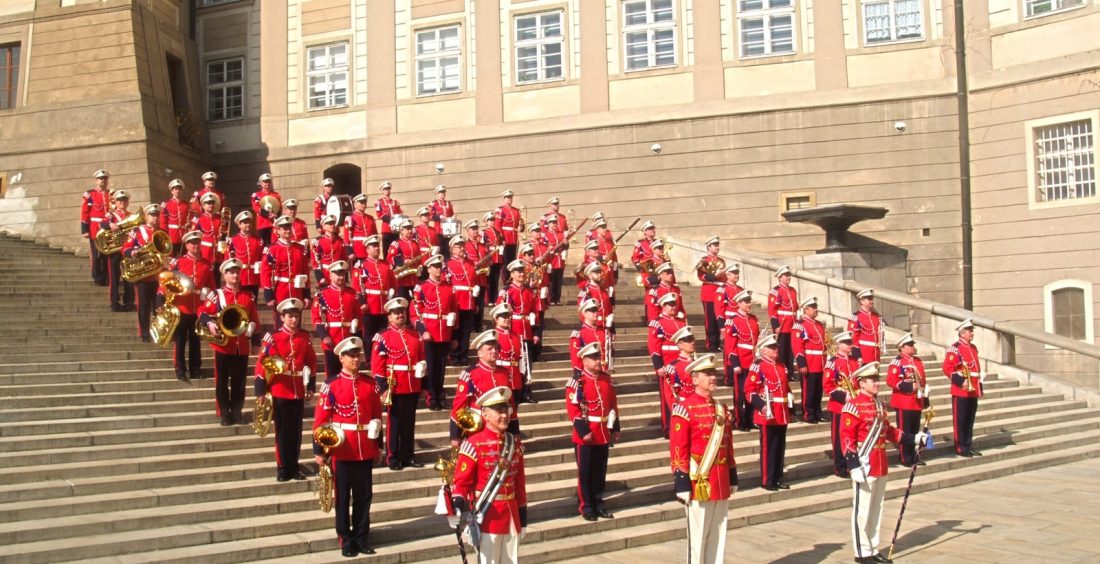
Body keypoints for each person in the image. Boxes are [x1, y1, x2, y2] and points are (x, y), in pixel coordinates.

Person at [841, 362, 924, 564]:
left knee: (876, 510)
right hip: (864, 463)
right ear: (861, 383)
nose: (877, 383)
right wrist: (852, 466)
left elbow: (889, 431)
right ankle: (861, 552)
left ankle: (872, 547)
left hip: (880, 462)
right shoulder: (852, 406)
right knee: (862, 511)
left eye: (877, 379)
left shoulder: (879, 405)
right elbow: (846, 438)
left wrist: (913, 438)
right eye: (873, 380)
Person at [313, 336, 383, 557]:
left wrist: (378, 446)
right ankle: (345, 539)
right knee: (343, 498)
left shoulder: (370, 383)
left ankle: (362, 537)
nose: (356, 359)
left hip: (365, 448)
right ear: (341, 358)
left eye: (358, 355)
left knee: (364, 496)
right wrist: (319, 451)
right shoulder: (332, 384)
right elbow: (321, 420)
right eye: (351, 356)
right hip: (342, 449)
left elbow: (376, 417)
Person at [669, 354, 737, 564]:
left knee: (719, 534)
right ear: (695, 379)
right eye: (708, 374)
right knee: (697, 539)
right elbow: (678, 448)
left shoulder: (721, 409)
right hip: (699, 481)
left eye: (714, 373)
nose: (713, 377)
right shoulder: (684, 409)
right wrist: (681, 483)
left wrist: (732, 476)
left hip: (720, 480)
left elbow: (728, 445)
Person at [450, 386, 528, 564]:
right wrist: (457, 503)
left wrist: (522, 518)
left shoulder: (514, 442)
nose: (505, 415)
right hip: (488, 516)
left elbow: (520, 483)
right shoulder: (473, 444)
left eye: (506, 409)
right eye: (498, 411)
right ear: (485, 414)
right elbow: (462, 483)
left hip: (512, 516)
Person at [255, 298, 316, 481]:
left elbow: (311, 363)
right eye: (289, 316)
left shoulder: (304, 337)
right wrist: (260, 392)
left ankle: (293, 466)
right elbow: (262, 365)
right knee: (281, 432)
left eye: (296, 316)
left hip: (297, 389)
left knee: (295, 432)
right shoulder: (273, 338)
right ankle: (282, 468)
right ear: (282, 317)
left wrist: (311, 386)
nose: (293, 320)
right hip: (280, 389)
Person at [198, 258, 260, 425]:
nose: (235, 274)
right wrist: (210, 323)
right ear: (224, 275)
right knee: (222, 381)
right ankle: (225, 412)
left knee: (239, 382)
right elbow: (202, 311)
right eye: (231, 272)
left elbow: (254, 319)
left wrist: (255, 342)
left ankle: (237, 411)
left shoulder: (247, 296)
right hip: (224, 346)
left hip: (242, 346)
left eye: (237, 272)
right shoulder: (217, 295)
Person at [371, 297, 426, 471]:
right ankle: (392, 456)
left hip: (412, 384)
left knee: (409, 423)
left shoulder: (415, 334)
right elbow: (377, 366)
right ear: (389, 317)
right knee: (394, 424)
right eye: (395, 313)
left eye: (402, 312)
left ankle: (408, 455)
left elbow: (422, 360)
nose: (400, 316)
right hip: (395, 385)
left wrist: (424, 385)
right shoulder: (383, 337)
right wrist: (383, 388)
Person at [567, 342, 619, 522]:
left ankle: (598, 503)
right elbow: (573, 410)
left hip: (603, 432)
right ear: (584, 360)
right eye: (594, 358)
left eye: (599, 357)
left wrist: (615, 427)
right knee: (585, 473)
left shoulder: (605, 378)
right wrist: (583, 431)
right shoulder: (577, 382)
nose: (598, 361)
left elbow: (612, 404)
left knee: (600, 471)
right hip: (587, 435)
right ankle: (586, 506)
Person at [450, 331, 516, 446]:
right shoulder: (469, 374)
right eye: (489, 349)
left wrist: (515, 431)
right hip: (479, 428)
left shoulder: (505, 373)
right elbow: (459, 407)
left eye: (496, 348)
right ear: (480, 353)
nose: (494, 351)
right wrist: (455, 435)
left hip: (502, 426)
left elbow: (511, 403)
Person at [746, 334, 792, 491]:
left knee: (779, 447)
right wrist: (762, 406)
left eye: (776, 347)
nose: (776, 349)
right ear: (764, 350)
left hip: (781, 413)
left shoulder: (781, 365)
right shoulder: (758, 366)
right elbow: (749, 391)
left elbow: (785, 387)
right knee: (768, 449)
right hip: (767, 414)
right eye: (772, 348)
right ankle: (768, 480)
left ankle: (778, 477)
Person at [411, 254, 457, 410]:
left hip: (445, 332)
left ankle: (440, 394)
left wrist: (454, 333)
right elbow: (415, 312)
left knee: (441, 367)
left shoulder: (448, 287)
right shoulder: (422, 287)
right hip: (429, 333)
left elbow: (454, 311)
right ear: (429, 269)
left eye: (440, 267)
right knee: (430, 367)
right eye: (436, 267)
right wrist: (422, 330)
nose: (439, 270)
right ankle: (431, 397)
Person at [169, 231, 215, 381]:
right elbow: (167, 283)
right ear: (187, 245)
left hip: (198, 308)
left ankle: (195, 368)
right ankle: (180, 369)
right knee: (180, 340)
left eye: (197, 243)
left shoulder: (206, 264)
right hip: (181, 307)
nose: (195, 245)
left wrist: (205, 293)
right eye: (192, 243)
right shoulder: (178, 262)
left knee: (195, 340)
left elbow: (212, 287)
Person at [313, 261, 364, 377]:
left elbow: (358, 316)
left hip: (348, 339)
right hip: (331, 338)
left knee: (350, 374)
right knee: (332, 375)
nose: (341, 277)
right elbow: (316, 318)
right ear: (330, 276)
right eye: (337, 274)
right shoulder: (322, 294)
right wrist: (324, 335)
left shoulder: (352, 293)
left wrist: (357, 337)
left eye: (342, 274)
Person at [887, 332, 930, 467]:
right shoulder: (897, 361)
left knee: (915, 431)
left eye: (913, 345)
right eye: (910, 345)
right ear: (902, 347)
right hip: (904, 401)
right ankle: (905, 457)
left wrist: (925, 397)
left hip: (916, 401)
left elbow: (923, 380)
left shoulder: (917, 361)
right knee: (905, 431)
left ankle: (914, 456)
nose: (913, 347)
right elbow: (891, 380)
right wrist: (909, 386)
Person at [497, 260, 537, 402]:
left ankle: (527, 391)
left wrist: (536, 332)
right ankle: (515, 391)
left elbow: (534, 311)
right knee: (516, 361)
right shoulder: (507, 291)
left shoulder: (529, 291)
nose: (521, 274)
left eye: (522, 271)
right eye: (518, 271)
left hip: (527, 330)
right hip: (513, 330)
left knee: (527, 362)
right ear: (512, 274)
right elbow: (500, 312)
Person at [122, 203, 163, 341]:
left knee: (159, 307)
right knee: (144, 307)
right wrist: (132, 251)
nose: (155, 218)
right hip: (143, 277)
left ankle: (158, 332)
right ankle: (144, 333)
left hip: (158, 277)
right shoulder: (138, 231)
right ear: (146, 216)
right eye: (152, 215)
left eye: (157, 215)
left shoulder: (162, 233)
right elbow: (125, 248)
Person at [943, 318, 983, 457]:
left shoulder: (973, 348)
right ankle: (960, 447)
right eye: (970, 331)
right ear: (962, 333)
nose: (972, 333)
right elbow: (948, 368)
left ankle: (968, 445)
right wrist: (961, 382)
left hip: (973, 389)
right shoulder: (955, 348)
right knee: (960, 420)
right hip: (961, 390)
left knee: (969, 419)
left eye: (972, 331)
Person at [649, 293, 687, 437]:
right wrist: (659, 366)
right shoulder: (657, 323)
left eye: (674, 304)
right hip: (667, 363)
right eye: (670, 304)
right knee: (667, 397)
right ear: (663, 306)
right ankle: (668, 427)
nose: (673, 307)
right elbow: (654, 346)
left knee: (684, 394)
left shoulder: (682, 322)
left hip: (682, 363)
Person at [261, 216, 311, 326]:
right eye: (284, 228)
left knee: (296, 322)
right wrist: (268, 294)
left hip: (297, 290)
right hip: (280, 290)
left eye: (289, 228)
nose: (287, 231)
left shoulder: (300, 249)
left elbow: (305, 271)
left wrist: (306, 294)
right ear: (278, 230)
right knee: (280, 323)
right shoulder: (272, 249)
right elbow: (266, 272)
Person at [824, 331, 861, 477]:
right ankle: (840, 467)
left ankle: (851, 464)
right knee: (839, 438)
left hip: (854, 406)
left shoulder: (854, 361)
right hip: (839, 406)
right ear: (839, 345)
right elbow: (828, 386)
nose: (850, 345)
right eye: (847, 343)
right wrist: (844, 396)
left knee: (852, 436)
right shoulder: (833, 362)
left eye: (850, 343)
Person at [723, 289, 759, 430]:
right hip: (741, 361)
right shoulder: (733, 321)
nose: (749, 304)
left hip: (752, 361)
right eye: (746, 302)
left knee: (752, 392)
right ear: (738, 303)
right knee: (740, 395)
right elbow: (730, 345)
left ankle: (750, 419)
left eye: (749, 301)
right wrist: (735, 364)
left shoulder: (753, 319)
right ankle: (740, 421)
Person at [352, 235, 395, 346]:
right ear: (367, 249)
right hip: (369, 306)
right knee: (369, 337)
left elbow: (393, 285)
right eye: (373, 246)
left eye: (377, 246)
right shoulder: (361, 265)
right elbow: (356, 287)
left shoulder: (386, 265)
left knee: (384, 335)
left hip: (384, 306)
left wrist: (392, 297)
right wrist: (362, 302)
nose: (376, 248)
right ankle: (369, 361)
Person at [792, 296, 827, 423]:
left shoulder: (819, 325)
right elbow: (797, 346)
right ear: (806, 310)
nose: (816, 310)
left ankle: (818, 412)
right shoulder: (800, 325)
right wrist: (802, 364)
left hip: (820, 363)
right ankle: (808, 413)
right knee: (809, 391)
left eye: (816, 308)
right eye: (813, 308)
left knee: (818, 391)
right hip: (809, 362)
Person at [445, 236, 479, 366]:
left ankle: (463, 354)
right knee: (455, 330)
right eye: (458, 247)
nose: (461, 249)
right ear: (452, 249)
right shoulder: (448, 264)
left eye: (463, 246)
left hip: (469, 300)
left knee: (466, 330)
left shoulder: (470, 263)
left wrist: (475, 300)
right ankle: (453, 355)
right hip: (456, 301)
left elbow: (473, 281)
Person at [492, 303, 527, 424]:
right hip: (501, 376)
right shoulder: (493, 336)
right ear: (496, 319)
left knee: (513, 409)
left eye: (509, 316)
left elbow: (520, 358)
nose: (507, 319)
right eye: (503, 317)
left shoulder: (516, 336)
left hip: (515, 377)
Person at [101, 190, 135, 312]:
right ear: (115, 201)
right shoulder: (111, 214)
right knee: (114, 278)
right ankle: (114, 303)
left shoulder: (131, 215)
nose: (122, 202)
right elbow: (102, 223)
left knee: (129, 277)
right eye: (120, 200)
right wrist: (110, 224)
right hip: (115, 251)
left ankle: (129, 302)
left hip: (127, 250)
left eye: (125, 200)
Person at [768, 265, 799, 378]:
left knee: (790, 351)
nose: (788, 277)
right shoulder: (775, 291)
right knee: (781, 350)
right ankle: (782, 372)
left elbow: (795, 308)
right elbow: (772, 311)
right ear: (780, 277)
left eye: (789, 275)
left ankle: (790, 371)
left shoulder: (792, 290)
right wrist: (775, 325)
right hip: (782, 324)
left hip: (792, 324)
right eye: (786, 276)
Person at [696, 236, 725, 352]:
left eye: (718, 245)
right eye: (715, 245)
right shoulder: (704, 260)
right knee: (710, 320)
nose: (717, 247)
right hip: (709, 293)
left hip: (720, 292)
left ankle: (719, 343)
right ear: (709, 247)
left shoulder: (721, 261)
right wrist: (712, 276)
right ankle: (711, 344)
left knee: (720, 319)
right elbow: (701, 276)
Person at [570, 299, 613, 377]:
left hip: (604, 373)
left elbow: (608, 351)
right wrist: (579, 375)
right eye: (592, 311)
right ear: (585, 314)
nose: (596, 313)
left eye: (596, 310)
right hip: (588, 375)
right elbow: (576, 358)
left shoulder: (604, 331)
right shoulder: (579, 334)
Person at [227, 211, 265, 298]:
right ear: (239, 225)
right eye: (245, 222)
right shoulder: (233, 240)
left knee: (252, 303)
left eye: (249, 222)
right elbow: (228, 261)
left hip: (254, 278)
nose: (247, 224)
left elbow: (262, 259)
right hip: (239, 277)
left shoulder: (259, 241)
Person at [387, 218, 421, 299]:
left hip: (413, 278)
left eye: (410, 229)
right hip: (402, 279)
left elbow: (419, 258)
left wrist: (420, 267)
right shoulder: (396, 244)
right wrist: (403, 261)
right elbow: (390, 258)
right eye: (407, 229)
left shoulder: (415, 243)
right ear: (401, 231)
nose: (409, 231)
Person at [494, 190, 522, 283]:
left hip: (514, 238)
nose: (509, 199)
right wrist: (501, 238)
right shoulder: (501, 210)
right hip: (505, 237)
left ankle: (512, 279)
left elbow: (518, 225)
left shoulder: (516, 210)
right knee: (505, 261)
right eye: (507, 198)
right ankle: (505, 280)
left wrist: (521, 226)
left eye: (510, 198)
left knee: (512, 260)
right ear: (504, 199)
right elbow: (497, 225)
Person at [663, 326, 697, 403]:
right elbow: (670, 395)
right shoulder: (672, 367)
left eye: (693, 339)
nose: (692, 342)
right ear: (680, 345)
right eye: (688, 340)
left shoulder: (698, 363)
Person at [848, 288, 884, 363]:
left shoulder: (876, 316)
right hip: (864, 355)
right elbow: (853, 338)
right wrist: (858, 355)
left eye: (871, 299)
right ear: (862, 301)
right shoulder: (856, 317)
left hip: (875, 354)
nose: (871, 301)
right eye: (868, 299)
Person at [312, 214, 349, 287]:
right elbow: (315, 261)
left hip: (338, 274)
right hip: (325, 274)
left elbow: (344, 259)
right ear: (324, 226)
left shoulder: (340, 241)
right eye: (329, 224)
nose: (332, 225)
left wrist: (345, 276)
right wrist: (320, 277)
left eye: (333, 223)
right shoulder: (318, 242)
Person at [190, 192, 224, 270]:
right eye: (208, 203)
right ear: (203, 205)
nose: (211, 205)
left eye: (212, 203)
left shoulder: (219, 219)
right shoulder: (198, 219)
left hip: (217, 254)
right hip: (204, 252)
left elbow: (224, 238)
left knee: (216, 278)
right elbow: (194, 237)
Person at [344, 194, 378, 264]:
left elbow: (375, 235)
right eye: (361, 203)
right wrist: (349, 252)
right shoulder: (350, 218)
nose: (363, 205)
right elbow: (347, 237)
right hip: (357, 251)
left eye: (364, 202)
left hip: (370, 252)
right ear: (355, 204)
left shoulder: (370, 218)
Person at [480, 211, 505, 304]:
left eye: (493, 220)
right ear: (486, 222)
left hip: (497, 257)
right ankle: (489, 299)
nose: (492, 222)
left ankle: (494, 298)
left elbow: (501, 242)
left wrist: (502, 247)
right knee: (489, 279)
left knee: (496, 279)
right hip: (490, 257)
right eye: (490, 220)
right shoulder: (484, 232)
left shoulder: (498, 232)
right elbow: (483, 245)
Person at [160, 178, 189, 256]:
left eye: (179, 189)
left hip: (183, 235)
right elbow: (163, 222)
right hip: (171, 235)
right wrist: (165, 236)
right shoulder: (166, 205)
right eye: (175, 189)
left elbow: (191, 217)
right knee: (171, 258)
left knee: (183, 257)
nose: (178, 191)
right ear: (172, 191)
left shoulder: (186, 205)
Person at [250, 172, 281, 243]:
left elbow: (280, 207)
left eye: (269, 181)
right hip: (262, 224)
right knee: (263, 244)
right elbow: (256, 207)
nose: (267, 183)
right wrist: (268, 214)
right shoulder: (257, 195)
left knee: (274, 243)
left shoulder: (276, 195)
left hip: (274, 223)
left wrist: (276, 215)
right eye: (265, 182)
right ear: (261, 183)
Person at [374, 181, 403, 255]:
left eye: (389, 189)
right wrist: (391, 220)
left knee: (396, 247)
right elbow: (379, 215)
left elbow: (399, 212)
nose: (387, 191)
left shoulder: (395, 201)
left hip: (395, 229)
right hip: (386, 229)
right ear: (382, 191)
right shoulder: (379, 202)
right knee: (386, 249)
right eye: (386, 189)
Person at [429, 184, 455, 258]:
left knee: (447, 249)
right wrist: (439, 217)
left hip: (449, 230)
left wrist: (453, 217)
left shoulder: (449, 203)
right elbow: (430, 216)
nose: (443, 193)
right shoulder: (433, 204)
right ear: (437, 194)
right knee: (440, 248)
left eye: (443, 192)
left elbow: (452, 214)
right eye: (441, 192)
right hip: (439, 230)